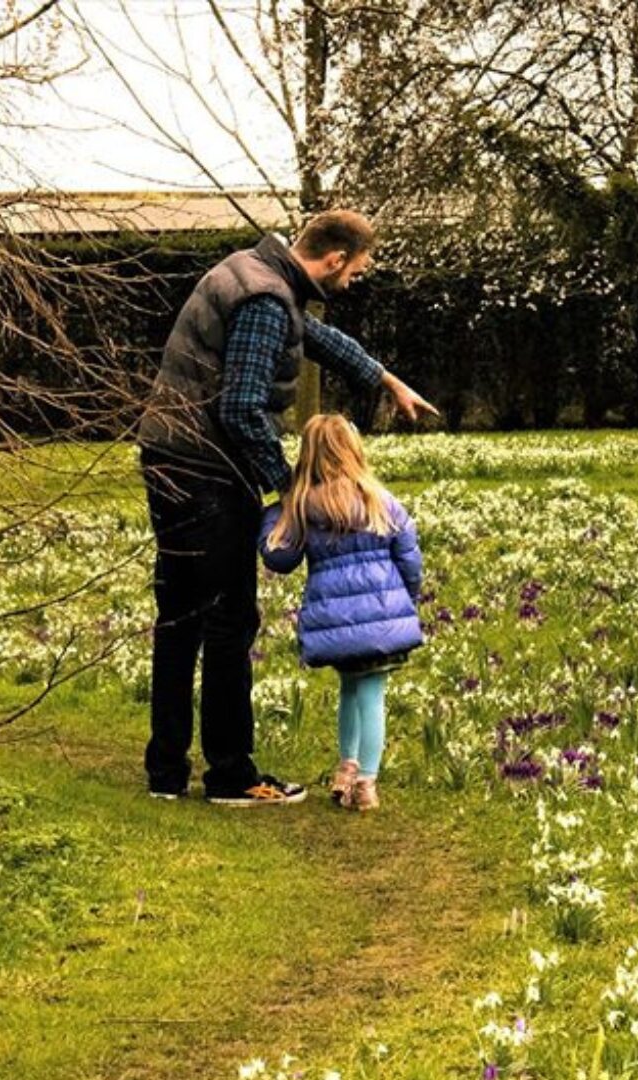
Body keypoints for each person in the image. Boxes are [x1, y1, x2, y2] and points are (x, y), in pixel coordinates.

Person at [137, 209, 437, 806]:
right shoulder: (266, 299)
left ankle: (165, 772)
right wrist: (294, 490)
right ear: (334, 259)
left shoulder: (254, 273)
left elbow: (315, 339)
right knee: (228, 619)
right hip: (206, 469)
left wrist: (386, 380)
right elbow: (242, 409)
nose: (353, 280)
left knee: (179, 616)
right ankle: (230, 775)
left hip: (169, 454)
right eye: (356, 271)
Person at [259, 414, 423, 811]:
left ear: (308, 457)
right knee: (372, 694)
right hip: (382, 618)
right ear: (353, 451)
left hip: (336, 623)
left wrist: (274, 515)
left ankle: (345, 769)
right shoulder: (379, 500)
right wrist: (408, 600)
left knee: (350, 689)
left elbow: (279, 559)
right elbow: (410, 558)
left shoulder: (303, 506)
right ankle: (366, 781)